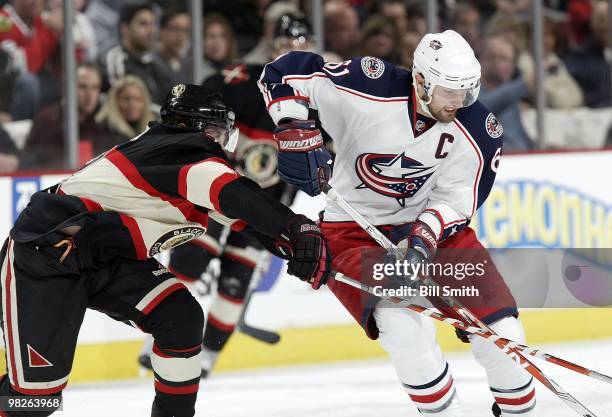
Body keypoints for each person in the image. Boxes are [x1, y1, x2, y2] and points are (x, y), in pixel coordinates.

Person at [0, 83, 332, 417]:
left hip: (106, 258)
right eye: (220, 130)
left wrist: (302, 246)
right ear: (200, 127)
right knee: (32, 402)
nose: (222, 140)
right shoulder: (185, 153)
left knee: (180, 318)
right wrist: (295, 227)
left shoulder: (176, 159)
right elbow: (236, 194)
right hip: (46, 258)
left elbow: (246, 219)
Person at [259, 30, 538, 417]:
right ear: (420, 80)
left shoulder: (478, 128)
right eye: (449, 91)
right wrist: (292, 126)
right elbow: (285, 73)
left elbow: (458, 198)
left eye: (467, 90)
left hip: (436, 234)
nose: (459, 102)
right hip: (353, 231)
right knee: (402, 328)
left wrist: (424, 237)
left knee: (503, 335)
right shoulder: (367, 85)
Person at [138, 13, 316, 378]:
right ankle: (156, 341)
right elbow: (199, 113)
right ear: (270, 44)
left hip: (267, 204)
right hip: (218, 192)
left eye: (296, 45)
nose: (288, 52)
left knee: (237, 278)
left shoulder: (319, 97)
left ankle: (205, 360)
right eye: (282, 44)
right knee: (190, 262)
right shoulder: (242, 80)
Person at [22, 63, 107, 169]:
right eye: (82, 87)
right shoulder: (47, 120)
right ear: (68, 88)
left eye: (94, 88)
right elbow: (31, 161)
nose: (89, 95)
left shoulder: (99, 123)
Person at [99, 3, 172, 105]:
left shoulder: (155, 63)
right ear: (125, 29)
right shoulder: (113, 60)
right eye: (143, 24)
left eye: (153, 24)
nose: (151, 30)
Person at [95, 74, 154, 143]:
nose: (132, 104)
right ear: (114, 101)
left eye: (138, 99)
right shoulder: (102, 132)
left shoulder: (151, 133)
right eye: (126, 99)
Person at [155, 8, 191, 86]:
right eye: (176, 29)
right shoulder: (152, 63)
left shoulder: (188, 65)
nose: (181, 36)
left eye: (185, 30)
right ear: (162, 31)